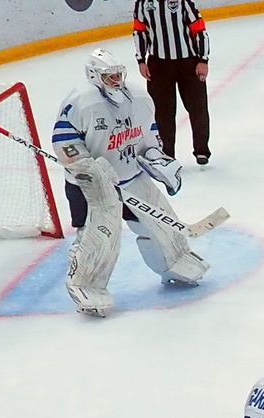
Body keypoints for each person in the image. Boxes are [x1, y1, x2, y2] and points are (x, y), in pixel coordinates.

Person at [52, 48, 206, 316]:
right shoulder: (81, 101)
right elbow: (64, 140)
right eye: (109, 76)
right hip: (92, 186)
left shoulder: (138, 97)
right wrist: (87, 168)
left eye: (117, 75)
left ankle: (174, 263)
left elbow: (150, 134)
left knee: (161, 224)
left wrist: (157, 159)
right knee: (98, 237)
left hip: (132, 176)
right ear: (94, 76)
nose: (116, 81)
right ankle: (87, 286)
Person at [132, 0, 211, 166]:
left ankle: (201, 150)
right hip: (158, 65)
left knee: (198, 108)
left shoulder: (182, 1)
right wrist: (141, 60)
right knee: (162, 113)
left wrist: (203, 59)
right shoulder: (142, 3)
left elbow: (199, 28)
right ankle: (166, 154)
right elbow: (139, 32)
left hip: (189, 63)